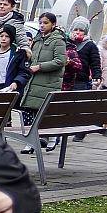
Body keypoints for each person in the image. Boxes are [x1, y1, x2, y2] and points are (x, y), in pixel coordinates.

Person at [24, 12, 68, 145]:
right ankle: (31, 141)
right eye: (40, 23)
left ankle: (49, 137)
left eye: (46, 23)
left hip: (48, 82)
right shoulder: (37, 40)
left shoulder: (58, 40)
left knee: (43, 111)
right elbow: (33, 58)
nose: (42, 25)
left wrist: (40, 67)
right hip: (34, 82)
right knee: (31, 111)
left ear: (53, 24)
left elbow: (60, 61)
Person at [0, 25, 30, 101]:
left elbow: (24, 72)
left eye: (7, 36)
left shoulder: (18, 54)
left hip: (10, 89)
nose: (3, 39)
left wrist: (16, 82)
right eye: (1, 36)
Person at [68, 19, 101, 91]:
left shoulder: (90, 45)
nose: (77, 32)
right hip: (66, 78)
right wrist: (70, 41)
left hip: (80, 79)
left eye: (81, 30)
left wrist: (97, 76)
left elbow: (95, 62)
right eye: (75, 29)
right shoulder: (66, 42)